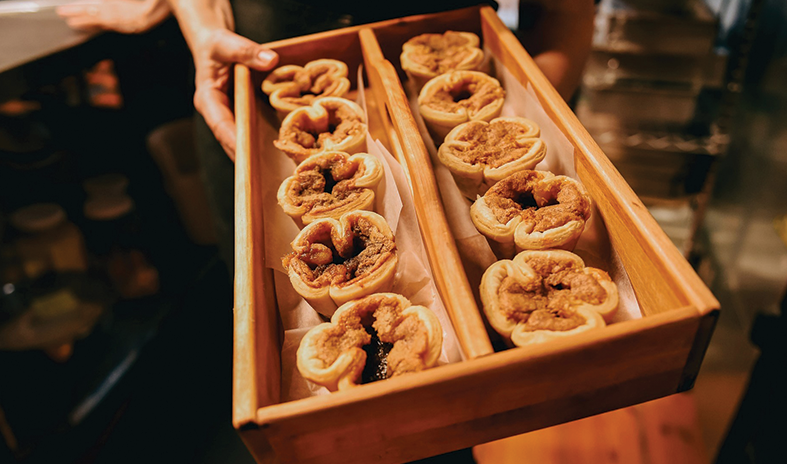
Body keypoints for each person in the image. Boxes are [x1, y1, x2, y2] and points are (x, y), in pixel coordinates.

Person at [59, 0, 594, 275]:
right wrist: (200, 26)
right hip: (261, 101)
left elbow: (563, 12)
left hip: (458, 85)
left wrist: (529, 124)